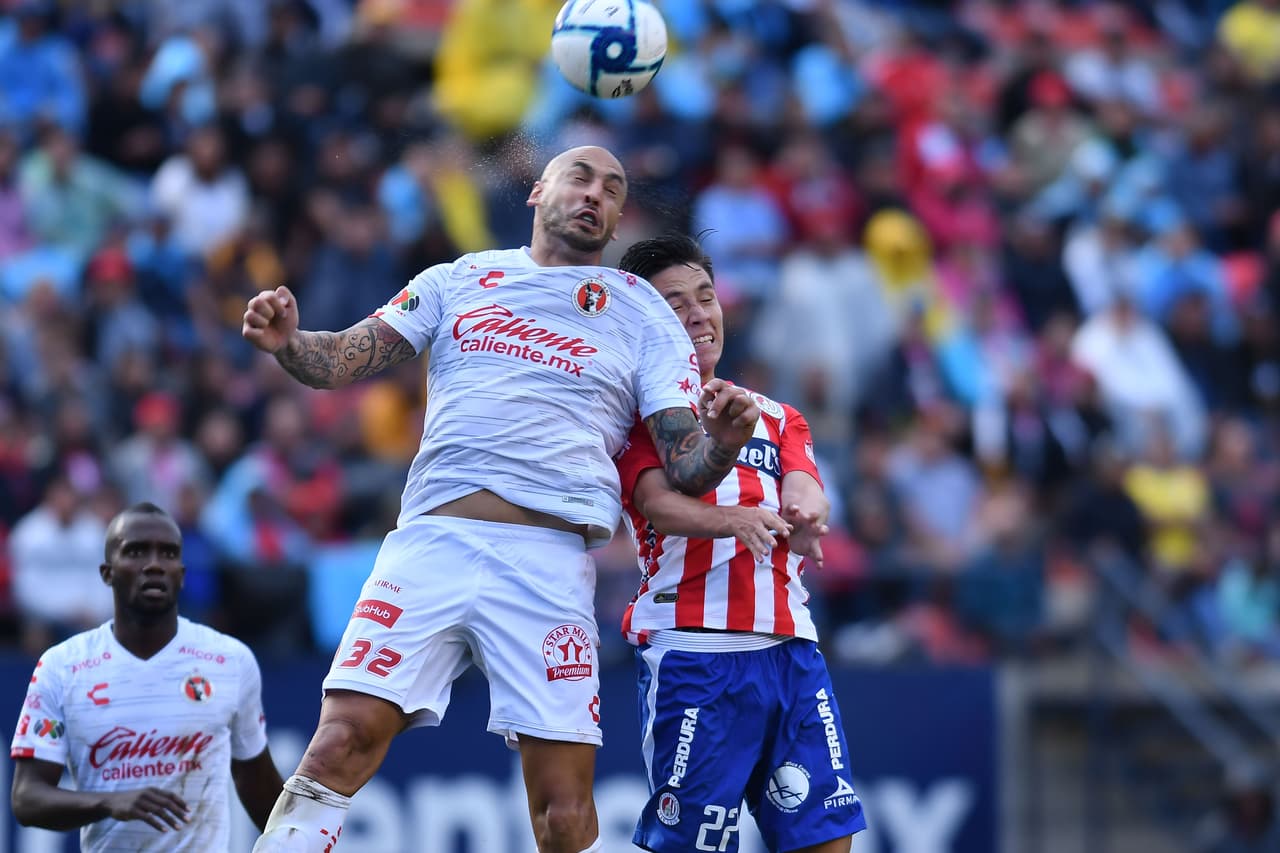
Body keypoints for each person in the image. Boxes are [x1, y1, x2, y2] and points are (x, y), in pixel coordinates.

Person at [241, 145, 761, 853]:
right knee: (342, 740)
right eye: (580, 177)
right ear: (538, 189)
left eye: (613, 189)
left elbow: (686, 463)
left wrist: (725, 441)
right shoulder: (461, 278)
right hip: (431, 544)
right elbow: (339, 357)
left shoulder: (642, 312)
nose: (595, 195)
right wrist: (288, 342)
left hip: (548, 563)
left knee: (563, 808)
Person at [614, 233, 867, 853]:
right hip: (697, 654)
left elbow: (806, 483)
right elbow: (656, 505)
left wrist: (808, 515)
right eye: (677, 303)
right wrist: (735, 521)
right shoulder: (637, 415)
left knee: (827, 841)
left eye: (706, 296)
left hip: (792, 650)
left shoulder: (776, 415)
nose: (700, 313)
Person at [9, 502, 283, 851]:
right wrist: (108, 802)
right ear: (107, 572)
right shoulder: (62, 667)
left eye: (168, 554)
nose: (154, 564)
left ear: (181, 574)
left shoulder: (229, 660)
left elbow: (256, 782)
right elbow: (27, 798)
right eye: (136, 551)